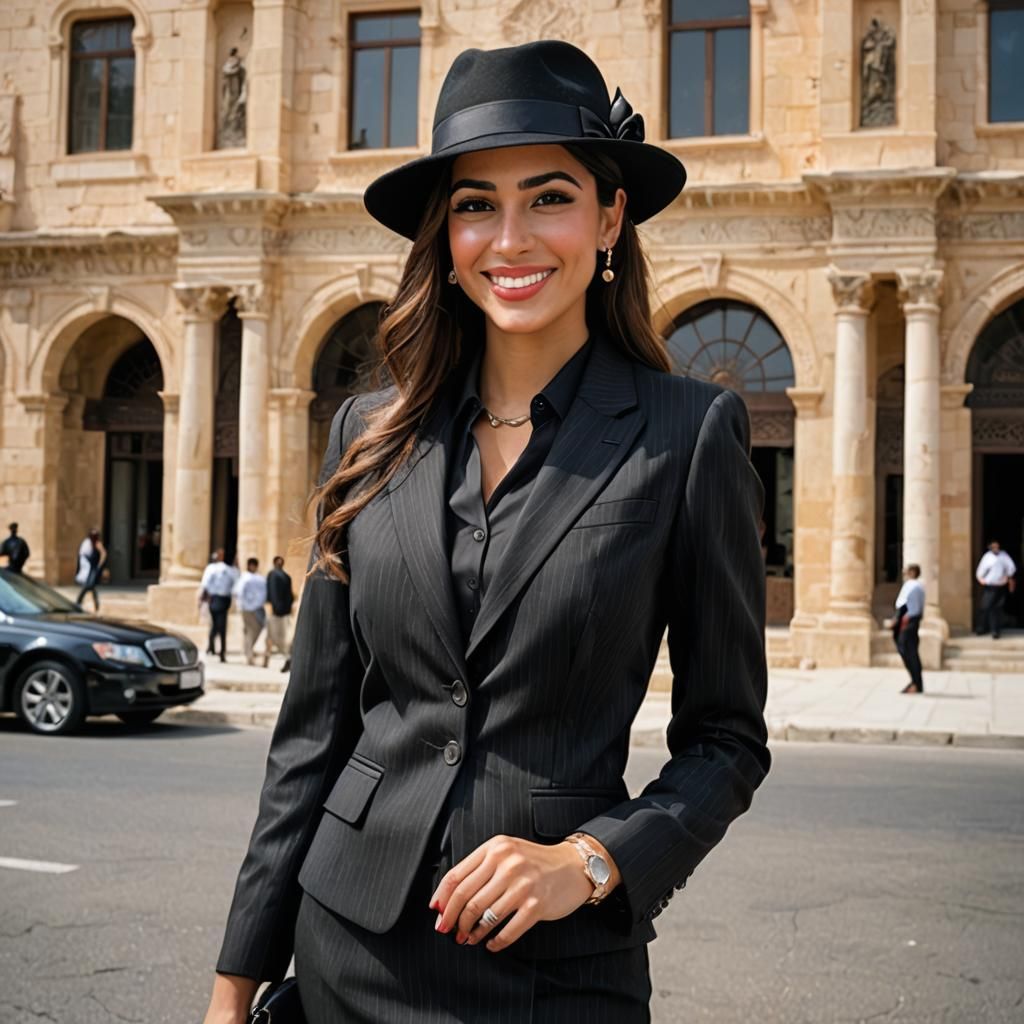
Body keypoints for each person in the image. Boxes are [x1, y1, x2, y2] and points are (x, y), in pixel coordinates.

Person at [205, 40, 769, 1024]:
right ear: (445, 235)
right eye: (475, 204)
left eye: (548, 195)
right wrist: (232, 985)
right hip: (344, 951)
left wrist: (591, 860)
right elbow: (310, 738)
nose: (510, 238)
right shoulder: (367, 436)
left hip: (553, 975)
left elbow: (726, 739)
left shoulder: (687, 438)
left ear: (608, 216)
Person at [891, 564, 925, 694]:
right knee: (911, 652)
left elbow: (904, 606)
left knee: (908, 652)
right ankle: (916, 682)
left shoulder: (911, 585)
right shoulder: (919, 587)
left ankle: (916, 683)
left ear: (912, 572)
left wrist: (896, 620)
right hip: (913, 621)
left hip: (908, 621)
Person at [201, 549, 237, 663]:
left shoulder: (214, 569)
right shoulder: (230, 570)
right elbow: (235, 585)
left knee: (216, 625)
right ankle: (219, 651)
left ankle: (213, 648)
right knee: (220, 626)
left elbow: (205, 584)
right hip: (220, 599)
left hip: (216, 599)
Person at [975, 539, 1017, 639]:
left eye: (997, 547)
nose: (996, 549)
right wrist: (981, 579)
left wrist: (1008, 578)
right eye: (993, 547)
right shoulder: (988, 557)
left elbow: (1011, 568)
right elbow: (981, 570)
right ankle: (981, 628)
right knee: (985, 607)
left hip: (1000, 586)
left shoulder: (1004, 556)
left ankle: (995, 631)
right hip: (990, 587)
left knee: (997, 609)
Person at [233, 558, 268, 666]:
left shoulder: (260, 578)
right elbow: (238, 592)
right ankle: (248, 656)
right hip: (247, 608)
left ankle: (248, 651)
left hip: (258, 608)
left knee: (256, 630)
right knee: (250, 631)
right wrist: (241, 606)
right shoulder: (244, 577)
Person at [265, 555, 295, 671]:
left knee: (275, 636)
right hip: (280, 611)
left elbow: (274, 593)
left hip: (278, 612)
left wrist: (274, 608)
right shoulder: (282, 576)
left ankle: (285, 659)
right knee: (276, 636)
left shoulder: (280, 576)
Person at [75, 528, 105, 611]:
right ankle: (95, 604)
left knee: (89, 585)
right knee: (91, 586)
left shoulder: (98, 544)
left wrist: (99, 565)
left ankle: (78, 602)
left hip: (93, 568)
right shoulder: (88, 543)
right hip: (89, 567)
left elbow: (103, 554)